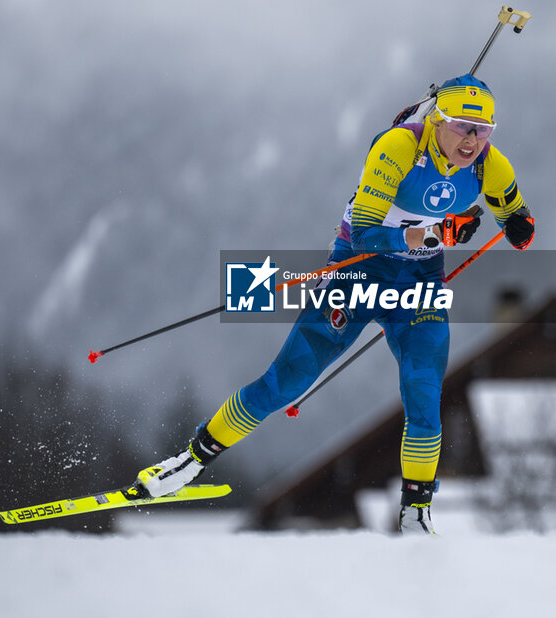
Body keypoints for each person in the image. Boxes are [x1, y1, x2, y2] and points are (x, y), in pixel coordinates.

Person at [137, 74, 535, 534]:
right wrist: (438, 232)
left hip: (419, 278)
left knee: (424, 391)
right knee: (287, 381)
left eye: (484, 130)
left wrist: (519, 226)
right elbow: (366, 235)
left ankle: (415, 516)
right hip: (359, 269)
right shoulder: (397, 148)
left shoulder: (490, 164)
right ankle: (189, 461)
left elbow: (512, 209)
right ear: (437, 120)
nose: (473, 140)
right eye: (464, 126)